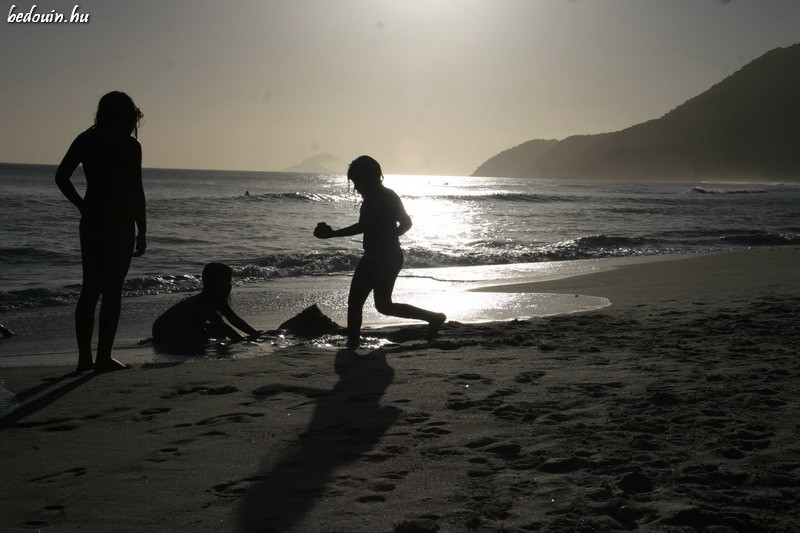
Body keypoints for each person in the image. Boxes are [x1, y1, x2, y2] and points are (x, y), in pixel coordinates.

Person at [55, 91, 147, 373]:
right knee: (112, 292)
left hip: (93, 220)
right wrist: (142, 230)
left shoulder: (86, 140)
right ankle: (103, 357)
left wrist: (82, 206)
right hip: (119, 221)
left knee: (89, 290)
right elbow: (135, 191)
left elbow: (61, 177)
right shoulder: (129, 146)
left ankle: (84, 359)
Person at [314, 155, 446, 349]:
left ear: (370, 178)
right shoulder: (370, 199)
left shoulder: (387, 197)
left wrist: (391, 236)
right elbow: (365, 226)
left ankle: (352, 344)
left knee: (367, 304)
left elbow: (406, 222)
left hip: (387, 257)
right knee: (377, 305)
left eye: (357, 181)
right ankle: (433, 318)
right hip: (374, 257)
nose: (356, 187)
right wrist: (333, 233)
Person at [152, 262, 260, 347]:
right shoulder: (203, 302)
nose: (229, 285)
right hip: (164, 328)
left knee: (218, 333)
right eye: (225, 281)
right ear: (212, 283)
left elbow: (234, 319)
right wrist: (242, 340)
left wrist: (255, 334)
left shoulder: (218, 300)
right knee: (202, 334)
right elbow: (222, 325)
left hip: (174, 326)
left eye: (229, 281)